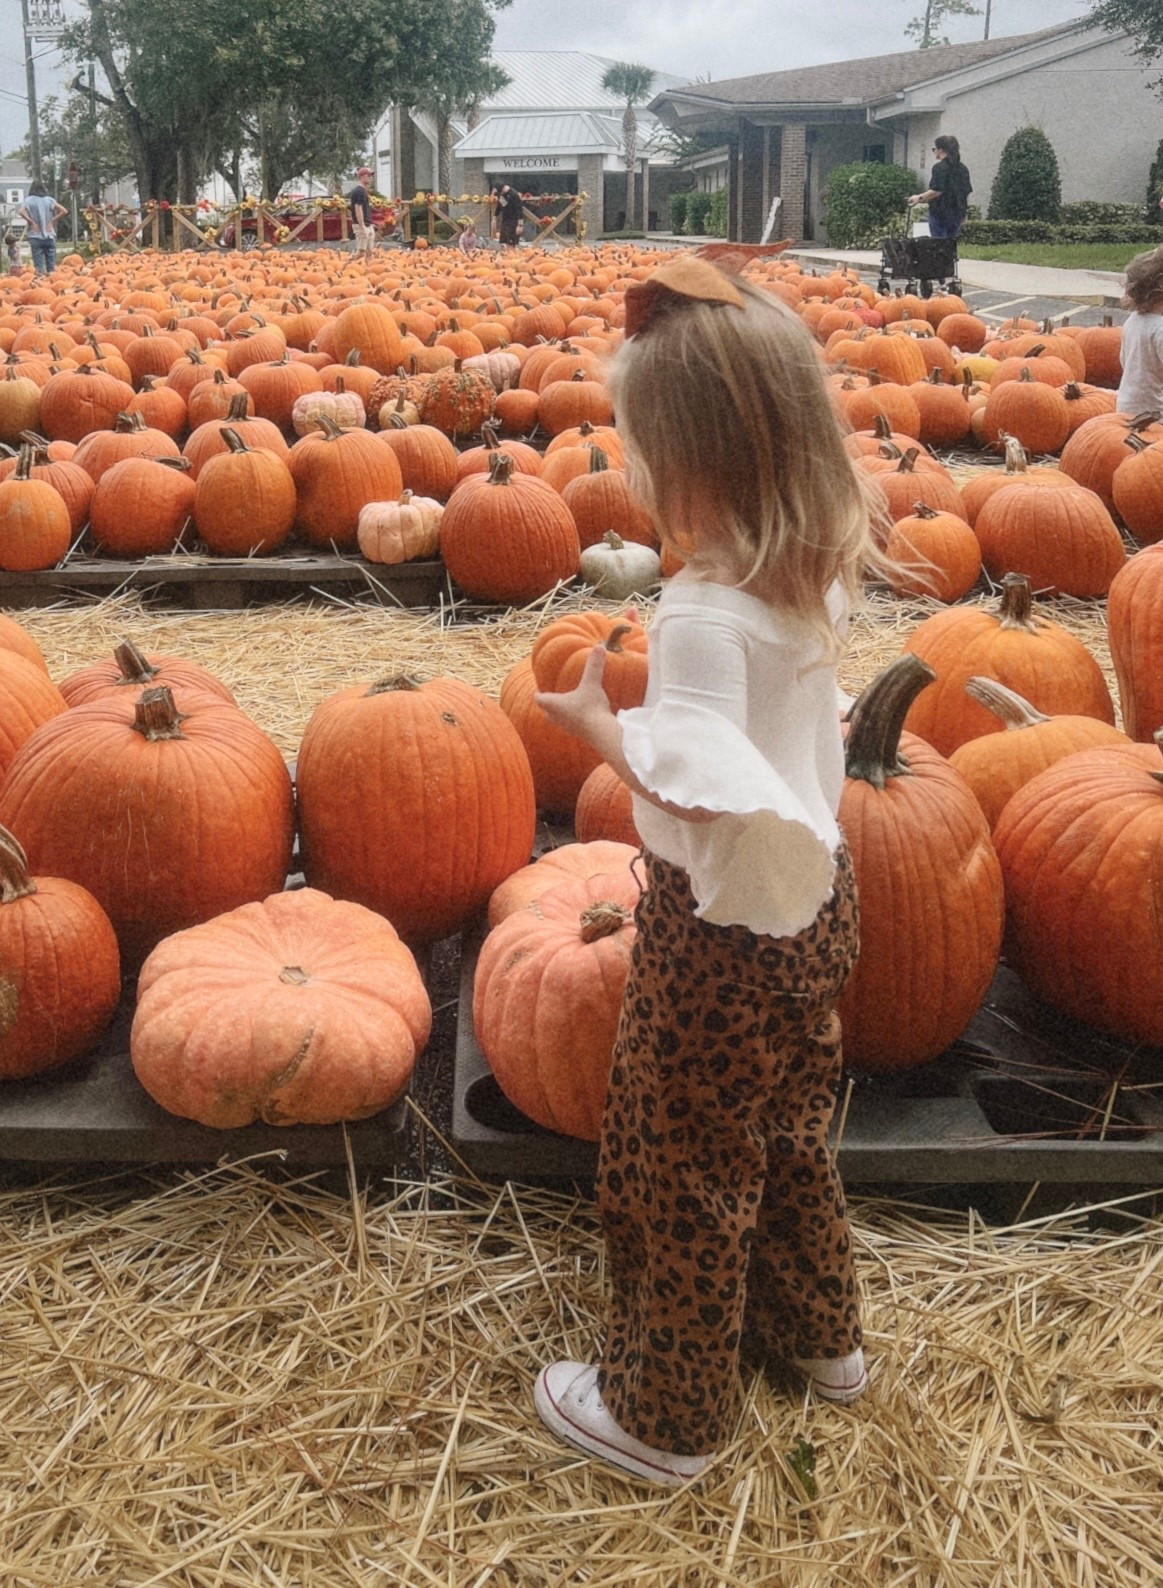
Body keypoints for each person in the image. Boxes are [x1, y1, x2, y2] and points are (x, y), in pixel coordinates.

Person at [531, 256, 882, 1488]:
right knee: (785, 1128)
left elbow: (686, 775)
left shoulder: (694, 610)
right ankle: (818, 1337)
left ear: (684, 462)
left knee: (681, 1161)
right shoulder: (799, 572)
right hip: (817, 903)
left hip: (723, 926)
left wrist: (592, 729)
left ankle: (662, 1413)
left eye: (638, 447)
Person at [1116, 246, 1163, 414]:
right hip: (1156, 417)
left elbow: (1124, 360)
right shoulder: (1160, 329)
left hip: (1126, 409)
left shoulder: (1133, 320)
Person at [908, 134, 972, 240]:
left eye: (935, 149)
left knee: (938, 244)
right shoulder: (963, 169)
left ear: (941, 150)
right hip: (956, 213)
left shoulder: (939, 168)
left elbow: (937, 190)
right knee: (951, 244)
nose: (934, 152)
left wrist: (918, 198)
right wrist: (963, 212)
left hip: (940, 213)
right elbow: (965, 192)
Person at [17, 183, 67, 275]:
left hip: (35, 235)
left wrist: (31, 222)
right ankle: (52, 284)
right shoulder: (49, 200)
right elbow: (64, 211)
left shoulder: (28, 200)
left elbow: (21, 211)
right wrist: (52, 221)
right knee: (51, 267)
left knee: (39, 268)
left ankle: (41, 283)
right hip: (49, 235)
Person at [348, 165, 376, 258]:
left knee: (369, 252)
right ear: (363, 176)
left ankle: (368, 270)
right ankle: (345, 267)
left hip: (368, 224)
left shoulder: (364, 191)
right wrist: (362, 226)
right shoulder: (359, 191)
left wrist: (369, 224)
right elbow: (358, 209)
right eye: (369, 176)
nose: (371, 178)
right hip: (361, 225)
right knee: (360, 253)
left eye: (371, 176)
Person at [495, 183, 522, 247]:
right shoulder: (502, 195)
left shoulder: (514, 195)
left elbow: (519, 209)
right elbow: (500, 205)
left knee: (511, 243)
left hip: (513, 221)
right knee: (503, 241)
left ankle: (511, 254)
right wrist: (495, 216)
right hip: (505, 220)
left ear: (503, 188)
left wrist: (520, 224)